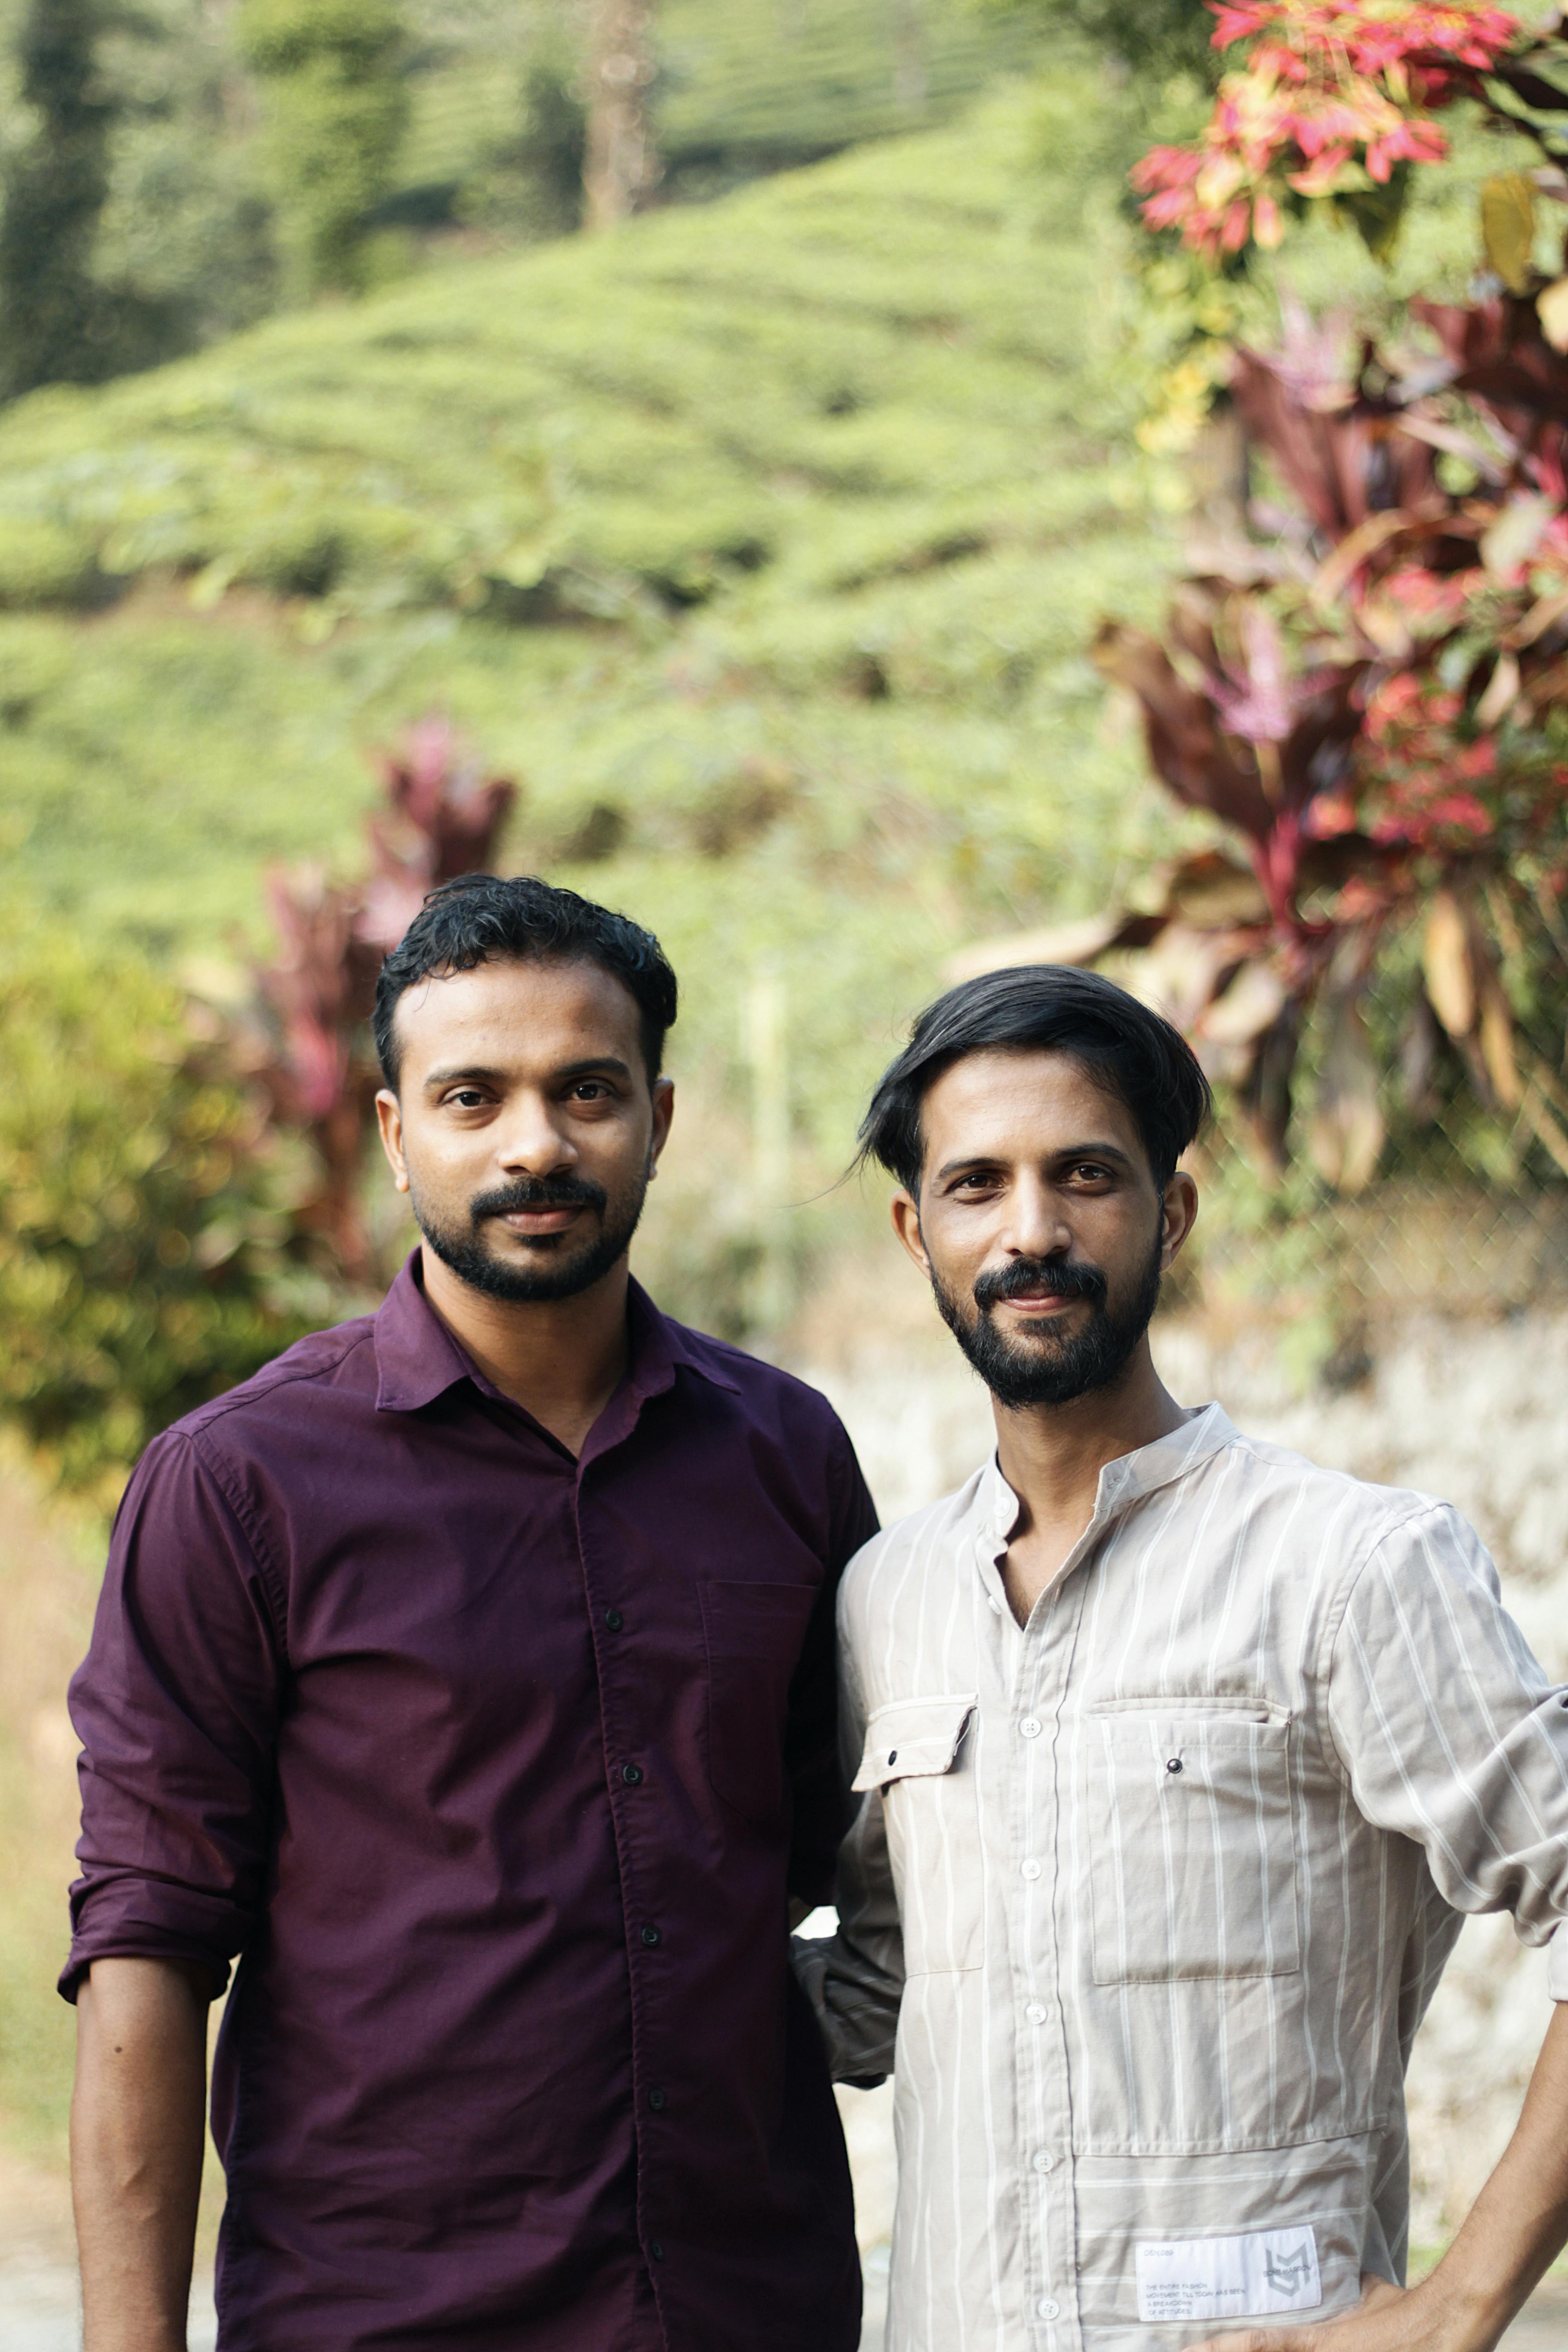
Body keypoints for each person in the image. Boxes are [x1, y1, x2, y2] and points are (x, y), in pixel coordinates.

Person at [65, 874, 878, 2352]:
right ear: (394, 1135)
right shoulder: (240, 1485)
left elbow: (867, 1843)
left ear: (661, 1118)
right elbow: (147, 1949)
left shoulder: (788, 1456)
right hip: (381, 2318)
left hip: (751, 2309)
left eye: (587, 1091)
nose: (535, 1144)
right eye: (470, 1096)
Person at [796, 963, 1568, 2352]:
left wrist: (1463, 2305)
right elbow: (881, 1991)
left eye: (1085, 1174)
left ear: (1175, 1208)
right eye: (978, 1186)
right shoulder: (885, 1598)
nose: (1032, 1231)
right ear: (917, 1231)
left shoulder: (1348, 1566)